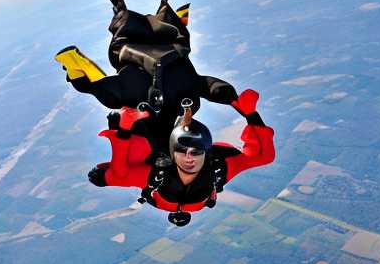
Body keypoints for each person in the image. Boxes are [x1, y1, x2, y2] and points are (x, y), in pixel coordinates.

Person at [55, 0, 246, 154]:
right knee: (98, 89)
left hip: (158, 38)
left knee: (100, 90)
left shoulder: (183, 99)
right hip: (137, 43)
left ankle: (164, 13)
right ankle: (76, 59)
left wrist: (237, 103)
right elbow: (215, 89)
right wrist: (239, 105)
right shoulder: (169, 101)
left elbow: (215, 88)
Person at [86, 92, 275, 226]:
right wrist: (251, 114)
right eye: (186, 152)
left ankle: (136, 118)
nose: (189, 159)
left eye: (193, 153)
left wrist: (125, 130)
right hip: (174, 144)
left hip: (151, 146)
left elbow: (118, 174)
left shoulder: (155, 178)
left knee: (113, 164)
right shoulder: (219, 170)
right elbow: (263, 156)